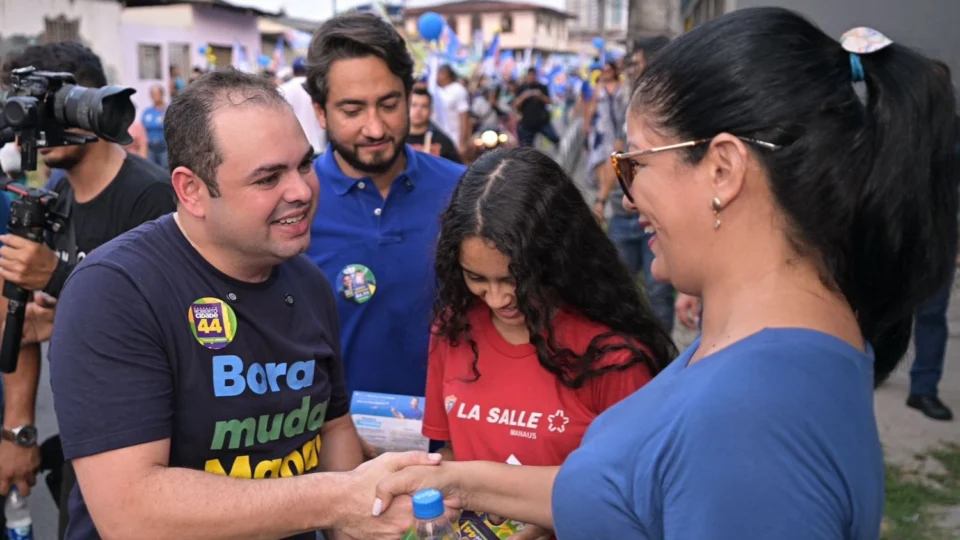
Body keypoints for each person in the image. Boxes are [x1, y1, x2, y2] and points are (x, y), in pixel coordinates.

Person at [374, 9, 959, 539]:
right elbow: (633, 493)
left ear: (723, 169)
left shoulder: (751, 419)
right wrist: (453, 483)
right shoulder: (763, 349)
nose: (627, 198)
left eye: (634, 163)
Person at [47, 68, 446, 540]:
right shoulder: (115, 291)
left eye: (303, 164)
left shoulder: (307, 280)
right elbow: (130, 512)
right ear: (191, 190)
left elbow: (332, 425)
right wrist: (336, 501)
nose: (301, 190)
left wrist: (355, 520)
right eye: (267, 178)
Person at [423, 147, 674, 535]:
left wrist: (548, 523)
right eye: (477, 278)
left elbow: (634, 498)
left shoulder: (612, 358)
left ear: (557, 259)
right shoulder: (453, 331)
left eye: (514, 280)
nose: (497, 298)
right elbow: (450, 452)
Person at [0, 41, 175, 537]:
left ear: (85, 105)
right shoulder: (53, 194)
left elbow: (170, 325)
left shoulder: (151, 196)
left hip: (147, 448)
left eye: (46, 109)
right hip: (83, 437)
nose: (31, 126)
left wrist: (55, 277)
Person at [304, 12, 466, 455]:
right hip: (333, 458)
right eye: (352, 110)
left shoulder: (465, 192)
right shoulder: (295, 206)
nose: (375, 128)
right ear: (320, 110)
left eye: (389, 104)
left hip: (457, 454)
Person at [597, 43, 677, 334]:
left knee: (658, 294)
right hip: (621, 217)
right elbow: (613, 157)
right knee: (619, 291)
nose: (633, 69)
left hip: (653, 222)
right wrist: (603, 198)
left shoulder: (673, 117)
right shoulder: (630, 109)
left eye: (638, 63)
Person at [279, 56, 327, 154]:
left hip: (295, 150)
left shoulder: (282, 89)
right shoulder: (320, 88)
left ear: (293, 71)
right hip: (320, 146)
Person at [407, 87, 462, 164]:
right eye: (414, 105)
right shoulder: (397, 138)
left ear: (431, 111)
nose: (418, 110)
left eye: (424, 106)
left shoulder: (442, 141)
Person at [514, 67, 558, 148]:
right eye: (529, 75)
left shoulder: (542, 87)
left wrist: (540, 95)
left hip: (541, 120)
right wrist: (524, 96)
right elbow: (515, 104)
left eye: (533, 75)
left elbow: (549, 101)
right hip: (527, 122)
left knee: (555, 139)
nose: (531, 77)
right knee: (526, 147)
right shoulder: (522, 88)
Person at [435, 64, 470, 153]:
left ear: (445, 74)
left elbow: (464, 117)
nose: (436, 76)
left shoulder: (458, 90)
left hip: (454, 139)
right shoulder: (436, 90)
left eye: (438, 74)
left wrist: (462, 143)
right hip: (437, 140)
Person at [142, 83, 168, 168]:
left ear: (162, 94)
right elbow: (142, 129)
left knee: (165, 172)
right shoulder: (147, 112)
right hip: (150, 148)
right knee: (152, 170)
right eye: (153, 94)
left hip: (164, 148)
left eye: (157, 94)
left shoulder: (167, 110)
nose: (155, 96)